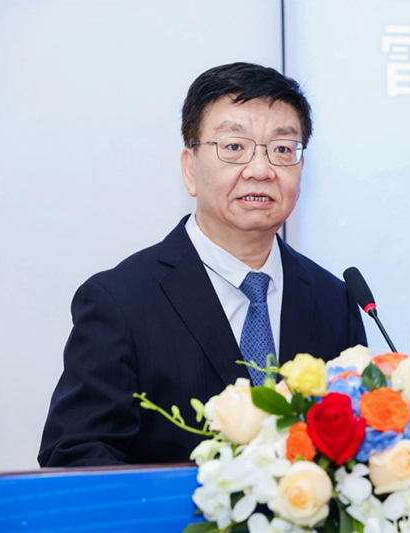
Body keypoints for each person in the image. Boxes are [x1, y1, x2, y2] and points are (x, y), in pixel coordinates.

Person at [38, 63, 367, 467]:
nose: (261, 170)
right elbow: (73, 456)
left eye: (283, 149)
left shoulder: (334, 300)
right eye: (234, 147)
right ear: (190, 168)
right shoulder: (120, 301)